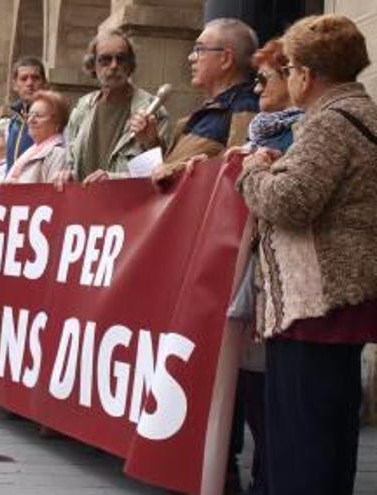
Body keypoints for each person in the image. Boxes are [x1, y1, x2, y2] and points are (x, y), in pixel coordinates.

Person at [236, 14, 377, 495]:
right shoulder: (356, 116)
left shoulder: (328, 124)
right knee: (328, 441)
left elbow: (292, 203)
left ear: (307, 74)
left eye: (290, 66)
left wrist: (253, 171)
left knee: (302, 447)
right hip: (338, 299)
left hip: (313, 304)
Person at [225, 38, 303, 495]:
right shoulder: (258, 129)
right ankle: (263, 474)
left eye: (264, 78)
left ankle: (270, 477)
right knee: (253, 383)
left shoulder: (304, 131)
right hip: (254, 275)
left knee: (278, 390)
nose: (256, 88)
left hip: (279, 276)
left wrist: (254, 170)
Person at [140, 18, 260, 188]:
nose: (191, 57)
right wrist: (150, 142)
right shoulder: (210, 110)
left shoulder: (245, 109)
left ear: (225, 59)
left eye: (199, 49)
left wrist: (178, 169)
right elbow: (164, 173)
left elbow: (236, 171)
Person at [65, 30, 171, 183]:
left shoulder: (152, 110)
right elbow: (70, 163)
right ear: (93, 64)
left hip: (128, 204)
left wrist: (152, 142)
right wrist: (65, 174)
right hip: (83, 203)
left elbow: (162, 170)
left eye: (121, 59)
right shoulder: (82, 108)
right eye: (105, 60)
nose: (114, 66)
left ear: (130, 64)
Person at [4, 90, 70, 184]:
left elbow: (52, 196)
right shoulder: (30, 152)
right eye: (30, 115)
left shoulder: (58, 155)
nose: (30, 120)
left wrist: (18, 189)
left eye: (38, 116)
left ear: (57, 123)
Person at [6, 57, 48, 171]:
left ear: (44, 83)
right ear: (15, 85)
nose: (30, 83)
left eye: (35, 78)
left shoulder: (54, 119)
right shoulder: (12, 122)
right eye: (24, 79)